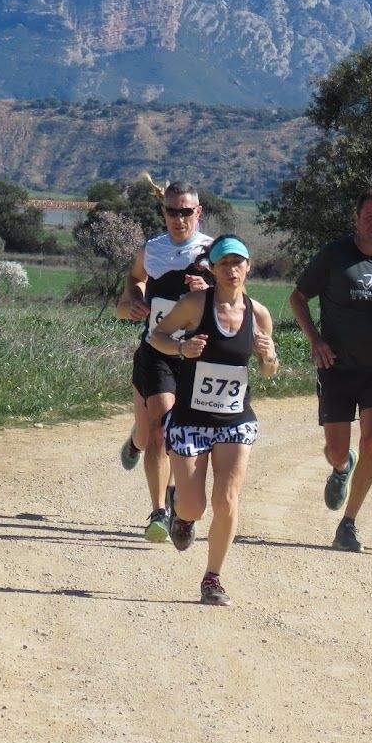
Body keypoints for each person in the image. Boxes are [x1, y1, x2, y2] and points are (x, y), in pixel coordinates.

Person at [148, 235, 279, 605]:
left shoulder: (259, 314)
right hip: (190, 419)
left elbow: (269, 372)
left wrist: (269, 358)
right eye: (224, 263)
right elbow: (156, 335)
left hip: (235, 421)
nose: (231, 270)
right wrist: (180, 348)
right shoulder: (193, 305)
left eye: (238, 262)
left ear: (248, 266)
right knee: (195, 506)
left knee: (226, 500)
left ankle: (212, 578)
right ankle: (183, 517)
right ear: (213, 268)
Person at [289, 188, 372, 553]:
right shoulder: (334, 255)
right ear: (357, 219)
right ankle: (342, 466)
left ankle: (349, 523)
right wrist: (315, 340)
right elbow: (298, 297)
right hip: (337, 366)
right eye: (369, 216)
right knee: (336, 449)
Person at [115, 178, 213, 542]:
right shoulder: (152, 250)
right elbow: (133, 278)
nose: (179, 218)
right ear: (164, 212)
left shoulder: (214, 252)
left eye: (186, 211)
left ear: (198, 212)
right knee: (160, 425)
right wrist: (135, 298)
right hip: (157, 350)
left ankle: (173, 496)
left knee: (174, 431)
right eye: (172, 211)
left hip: (197, 355)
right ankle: (159, 512)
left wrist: (210, 290)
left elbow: (237, 296)